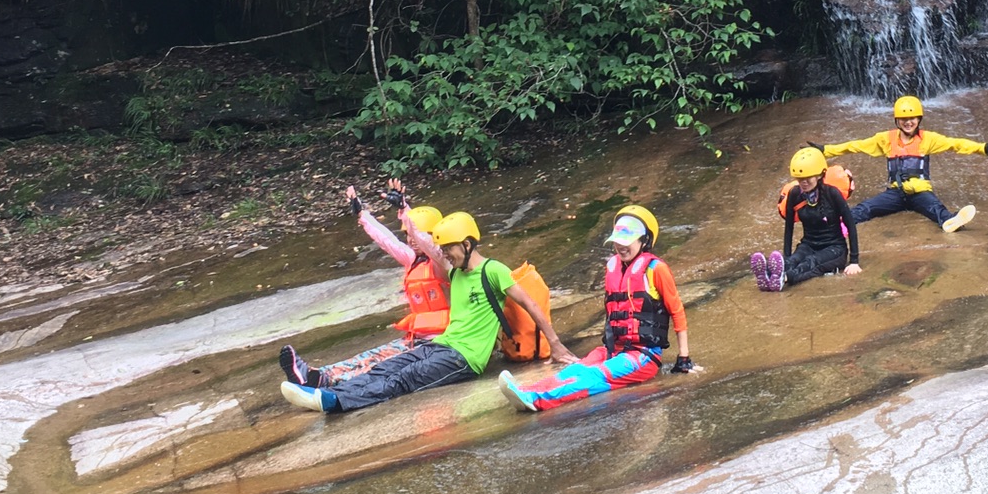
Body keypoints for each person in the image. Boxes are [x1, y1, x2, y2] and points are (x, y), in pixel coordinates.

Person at [281, 211, 575, 413]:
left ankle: (335, 402)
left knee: (403, 380)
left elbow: (530, 304)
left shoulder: (493, 270)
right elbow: (423, 246)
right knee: (387, 368)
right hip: (440, 345)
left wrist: (557, 345)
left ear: (468, 244)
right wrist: (402, 214)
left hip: (465, 358)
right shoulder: (455, 273)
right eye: (444, 249)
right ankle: (323, 394)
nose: (445, 254)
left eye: (449, 248)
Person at [497, 205, 695, 412]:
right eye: (618, 240)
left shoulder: (656, 270)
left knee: (592, 376)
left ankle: (537, 400)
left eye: (627, 241)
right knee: (575, 369)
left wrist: (684, 359)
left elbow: (677, 311)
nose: (621, 246)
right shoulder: (613, 267)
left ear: (644, 241)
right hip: (613, 350)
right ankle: (525, 390)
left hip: (643, 356)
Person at [278, 179, 446, 390]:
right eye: (407, 235)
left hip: (440, 342)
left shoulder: (443, 264)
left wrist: (405, 210)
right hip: (416, 338)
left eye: (415, 235)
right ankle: (315, 376)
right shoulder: (412, 260)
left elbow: (427, 243)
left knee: (381, 365)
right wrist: (362, 215)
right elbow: (386, 239)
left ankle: (329, 383)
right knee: (370, 355)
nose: (411, 240)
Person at [820, 95, 988, 234]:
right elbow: (855, 146)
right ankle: (838, 223)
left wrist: (982, 148)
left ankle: (951, 221)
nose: (908, 122)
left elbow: (955, 144)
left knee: (936, 208)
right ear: (897, 121)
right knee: (866, 208)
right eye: (903, 119)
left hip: (920, 192)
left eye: (912, 118)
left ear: (919, 119)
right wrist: (826, 150)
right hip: (895, 193)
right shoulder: (886, 139)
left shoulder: (928, 139)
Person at [751, 148, 860, 292]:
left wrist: (854, 261)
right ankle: (771, 273)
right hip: (808, 244)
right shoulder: (794, 194)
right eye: (799, 179)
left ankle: (785, 278)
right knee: (795, 260)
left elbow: (850, 224)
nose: (803, 182)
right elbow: (789, 227)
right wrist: (787, 257)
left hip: (834, 248)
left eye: (808, 178)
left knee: (811, 263)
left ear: (820, 175)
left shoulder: (832, 194)